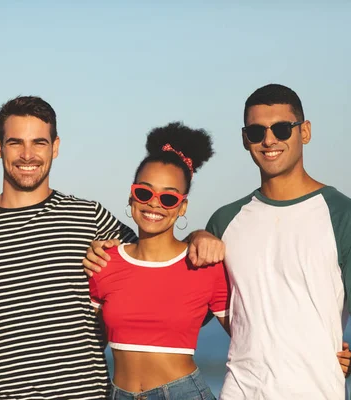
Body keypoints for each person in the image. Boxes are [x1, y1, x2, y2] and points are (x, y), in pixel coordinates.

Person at [85, 84, 351, 399]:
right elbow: (180, 294)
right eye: (256, 132)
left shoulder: (340, 214)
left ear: (304, 131)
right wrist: (194, 236)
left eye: (281, 128)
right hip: (237, 391)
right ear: (244, 138)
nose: (268, 140)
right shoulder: (225, 221)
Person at [0, 96, 138, 399]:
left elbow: (156, 257)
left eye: (39, 143)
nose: (27, 155)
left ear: (55, 147)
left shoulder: (89, 217)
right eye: (15, 142)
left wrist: (200, 237)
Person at [90, 122, 229, 400]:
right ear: (132, 197)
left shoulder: (204, 265)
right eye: (144, 192)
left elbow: (252, 337)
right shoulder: (105, 262)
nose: (154, 204)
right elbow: (84, 341)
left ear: (182, 207)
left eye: (168, 197)